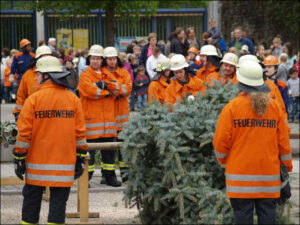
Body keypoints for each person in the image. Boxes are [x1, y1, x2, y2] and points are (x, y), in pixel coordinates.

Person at [213, 59, 292, 225]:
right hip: (268, 178)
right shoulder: (274, 108)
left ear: (241, 82)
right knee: (268, 216)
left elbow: (220, 142)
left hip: (239, 179)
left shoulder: (232, 108)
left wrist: (224, 160)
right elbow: (284, 143)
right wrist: (287, 166)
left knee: (242, 216)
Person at [13, 55, 88, 224]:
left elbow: (24, 134)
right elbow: (80, 134)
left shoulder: (33, 100)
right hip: (63, 167)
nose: (36, 77)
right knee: (58, 206)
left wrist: (18, 158)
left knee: (31, 204)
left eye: (38, 74)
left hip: (36, 167)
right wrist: (81, 157)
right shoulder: (73, 100)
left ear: (47, 76)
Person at [78, 45, 122, 187]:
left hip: (108, 123)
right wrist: (105, 92)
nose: (95, 61)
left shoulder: (107, 74)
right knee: (89, 154)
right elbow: (89, 91)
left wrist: (103, 86)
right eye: (93, 58)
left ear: (101, 60)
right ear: (89, 59)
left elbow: (117, 88)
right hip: (91, 122)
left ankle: (110, 177)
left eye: (98, 58)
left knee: (109, 153)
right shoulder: (85, 75)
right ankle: (86, 178)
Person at [102, 46, 132, 184]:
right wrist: (118, 88)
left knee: (123, 147)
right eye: (109, 59)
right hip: (107, 117)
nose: (112, 62)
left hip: (121, 116)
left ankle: (125, 175)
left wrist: (114, 88)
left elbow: (128, 89)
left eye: (113, 59)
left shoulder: (124, 73)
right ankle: (108, 175)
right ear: (105, 60)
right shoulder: (101, 73)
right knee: (107, 148)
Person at [12, 45, 52, 121]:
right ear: (37, 59)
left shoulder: (56, 75)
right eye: (44, 57)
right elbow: (21, 96)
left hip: (52, 117)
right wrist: (18, 113)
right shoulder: (28, 75)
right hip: (33, 116)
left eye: (49, 58)